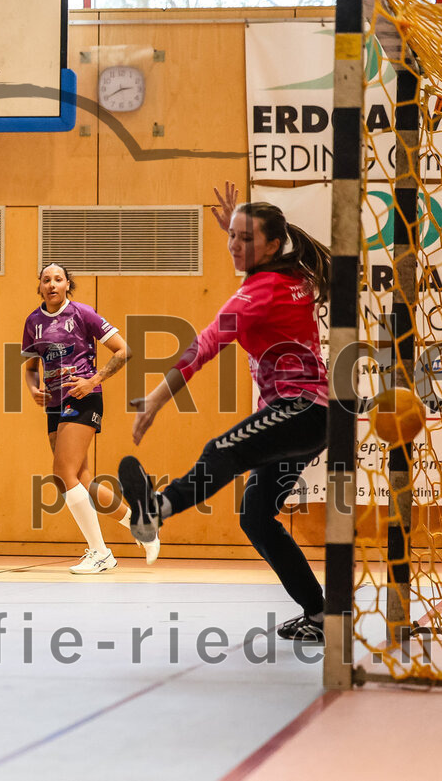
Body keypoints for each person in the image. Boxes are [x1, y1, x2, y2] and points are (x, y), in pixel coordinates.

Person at [118, 182, 330, 642]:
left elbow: (207, 343)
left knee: (221, 450)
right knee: (256, 516)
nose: (234, 245)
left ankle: (155, 509)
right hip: (308, 417)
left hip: (299, 409)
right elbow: (256, 273)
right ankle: (320, 616)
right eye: (231, 236)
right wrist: (242, 224)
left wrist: (155, 398)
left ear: (273, 245)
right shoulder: (289, 277)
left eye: (245, 238)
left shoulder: (260, 291)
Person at [22, 263, 159, 574]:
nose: (52, 284)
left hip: (83, 397)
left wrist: (93, 380)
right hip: (54, 405)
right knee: (79, 479)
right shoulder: (33, 321)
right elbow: (31, 367)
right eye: (46, 280)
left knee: (62, 472)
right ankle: (140, 524)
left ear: (68, 284)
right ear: (40, 287)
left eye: (58, 279)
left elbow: (123, 351)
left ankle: (100, 552)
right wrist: (33, 389)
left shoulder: (83, 314)